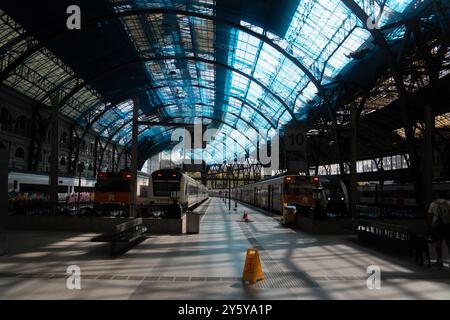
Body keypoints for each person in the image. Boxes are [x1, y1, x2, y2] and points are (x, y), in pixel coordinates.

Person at [428, 191, 450, 266]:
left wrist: (430, 226)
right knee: (449, 243)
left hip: (437, 226)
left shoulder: (433, 204)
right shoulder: (449, 203)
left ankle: (439, 260)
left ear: (437, 196)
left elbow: (430, 216)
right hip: (448, 225)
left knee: (438, 243)